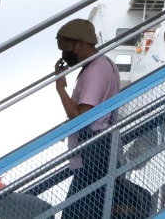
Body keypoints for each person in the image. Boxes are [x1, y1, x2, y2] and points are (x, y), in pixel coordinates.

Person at [54, 18, 120, 219]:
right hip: (96, 153)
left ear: (79, 43)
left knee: (75, 214)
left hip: (94, 155)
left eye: (66, 49)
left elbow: (81, 117)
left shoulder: (96, 71)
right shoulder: (100, 65)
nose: (64, 56)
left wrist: (60, 88)